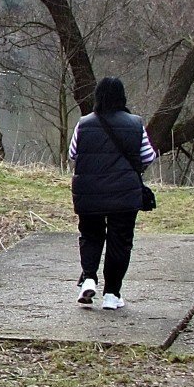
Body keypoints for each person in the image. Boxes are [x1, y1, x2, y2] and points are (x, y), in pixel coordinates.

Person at [69, 76, 156, 310]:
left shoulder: (84, 123)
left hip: (89, 193)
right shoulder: (135, 123)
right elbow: (148, 156)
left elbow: (73, 154)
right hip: (124, 194)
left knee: (90, 235)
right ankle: (111, 294)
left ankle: (88, 278)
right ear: (122, 97)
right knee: (120, 242)